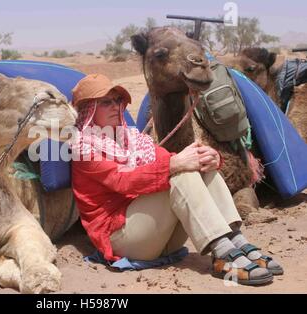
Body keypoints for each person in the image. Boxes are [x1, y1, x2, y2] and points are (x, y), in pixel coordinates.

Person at [70, 74, 283, 286]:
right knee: (179, 173)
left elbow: (167, 159)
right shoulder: (84, 149)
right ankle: (223, 253)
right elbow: (123, 181)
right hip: (122, 239)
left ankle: (235, 239)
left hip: (159, 237)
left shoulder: (131, 139)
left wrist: (210, 159)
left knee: (197, 168)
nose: (116, 106)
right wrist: (176, 164)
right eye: (106, 102)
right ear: (88, 110)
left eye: (117, 100)